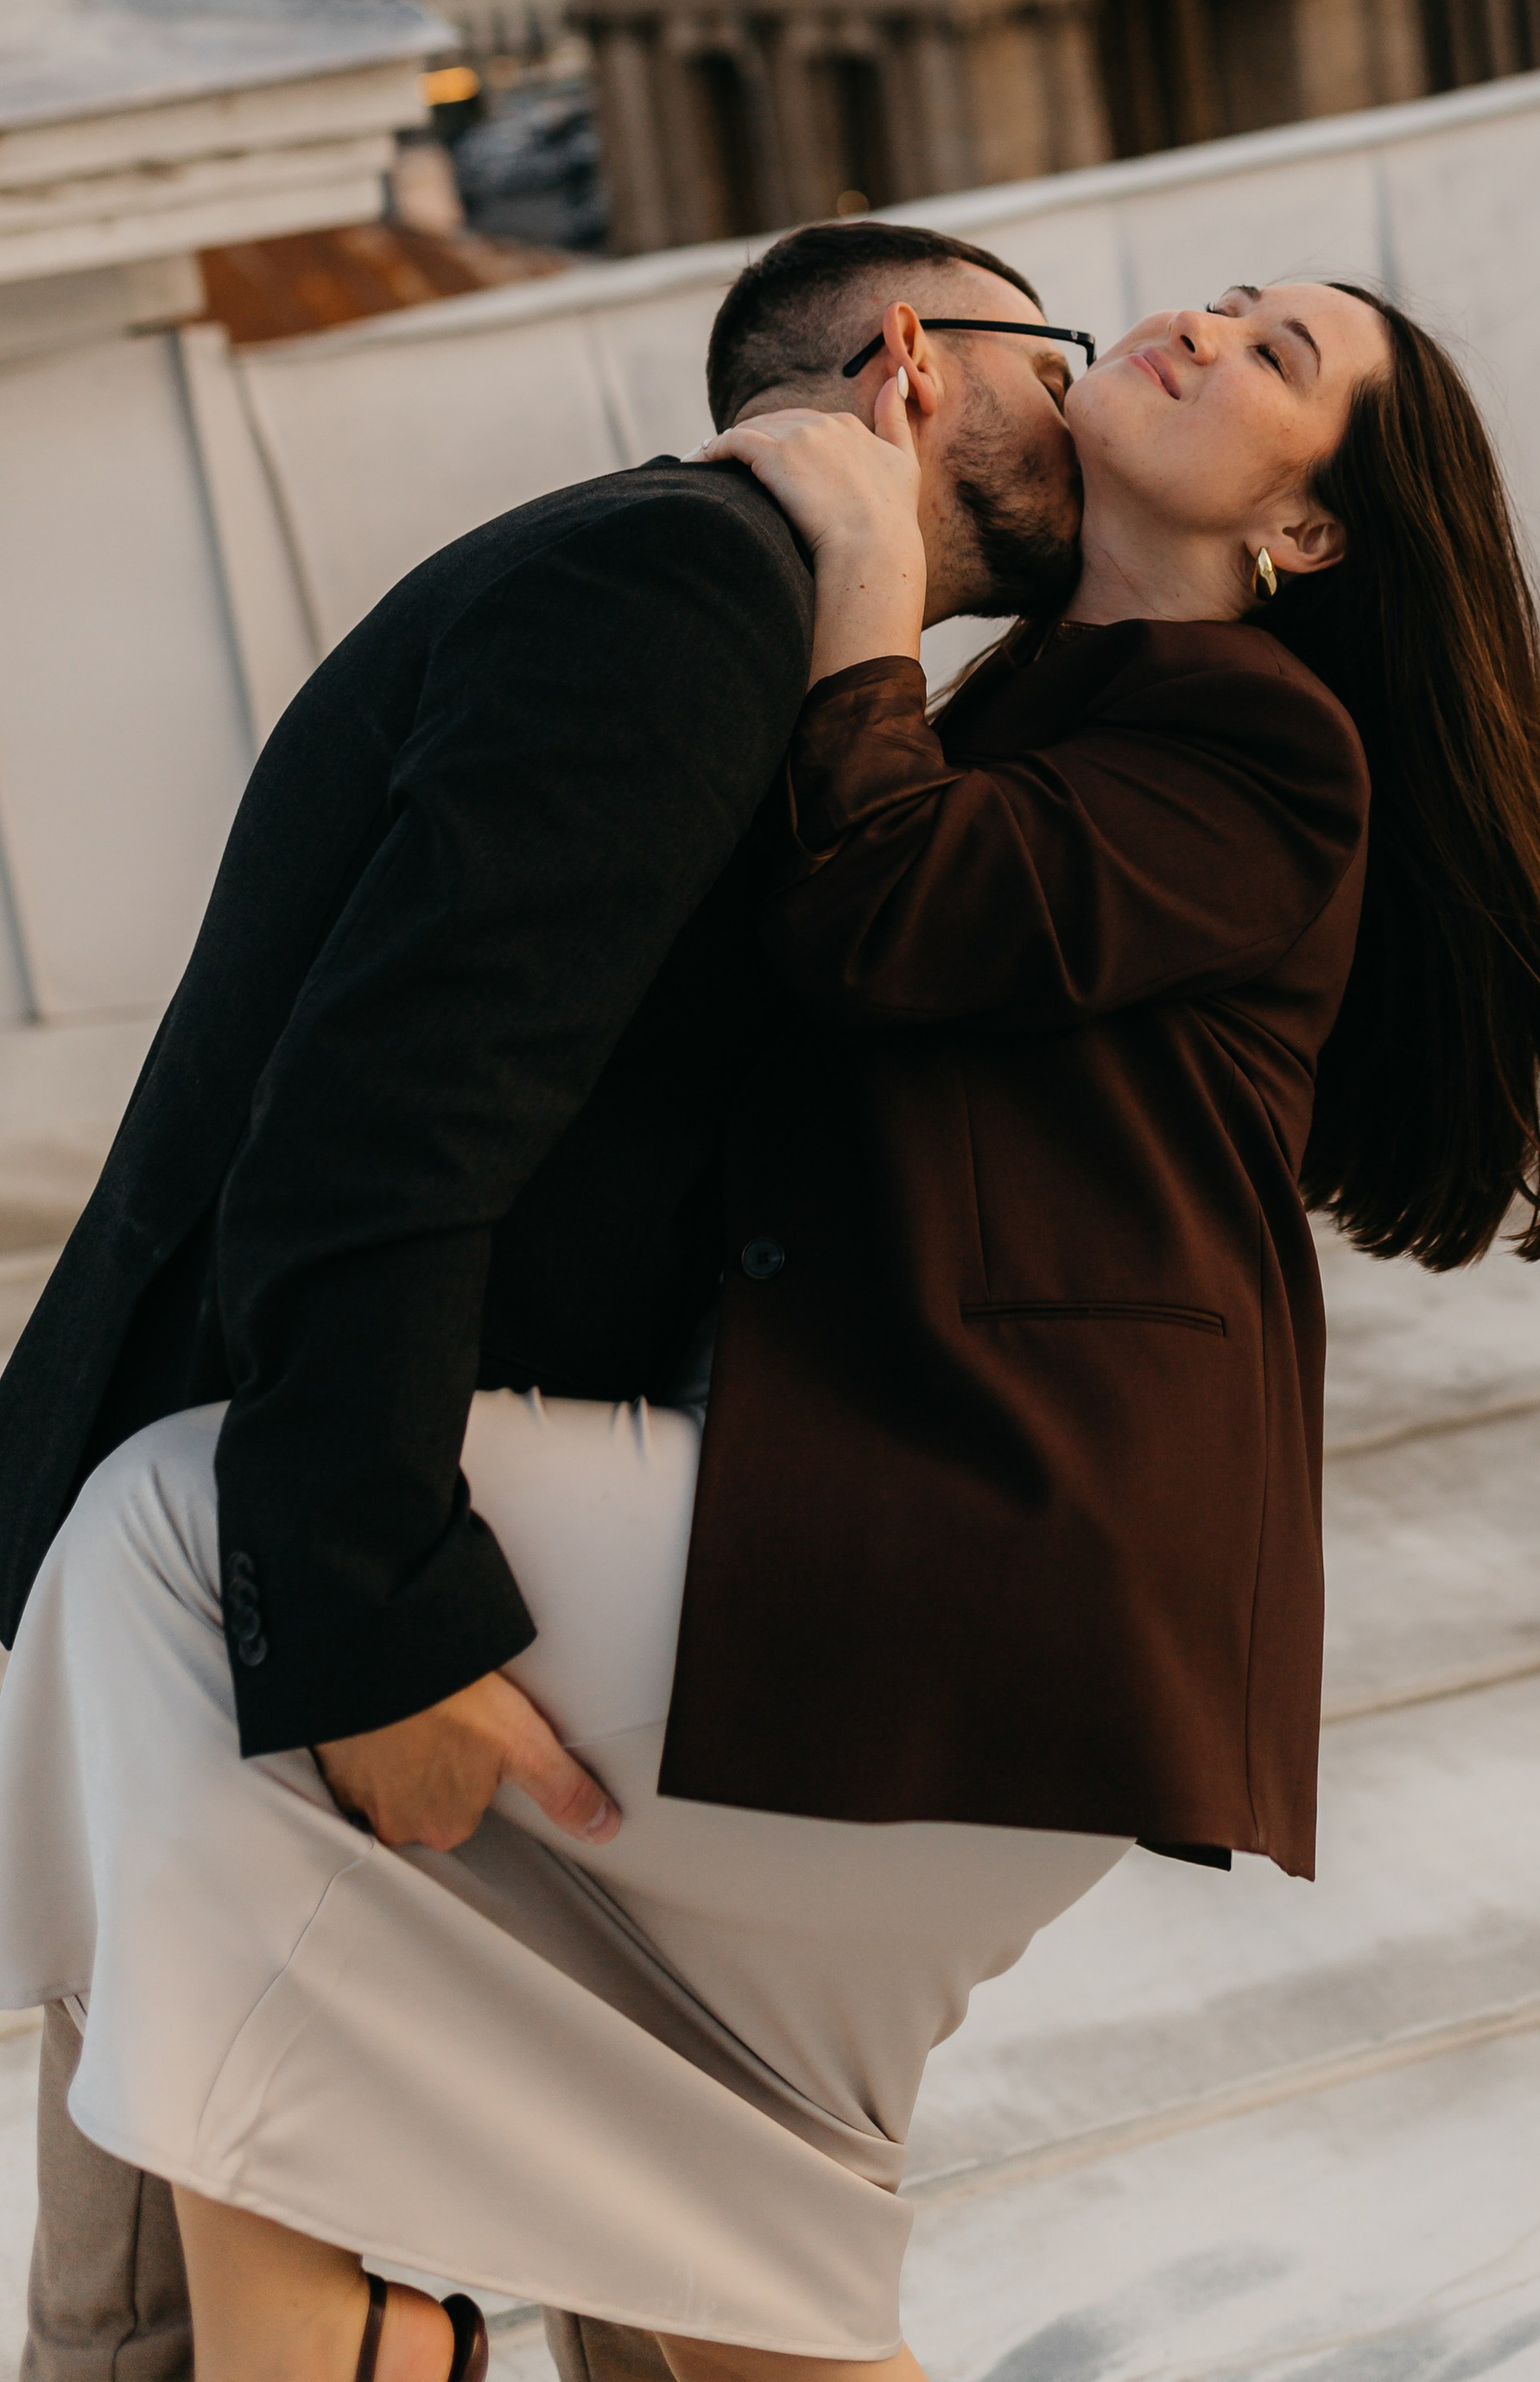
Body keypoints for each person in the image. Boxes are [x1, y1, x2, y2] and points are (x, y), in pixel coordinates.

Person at [0, 276, 1540, 2382]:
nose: (1195, 327)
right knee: (696, 2231)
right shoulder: (1029, 707)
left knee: (187, 1531)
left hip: (1000, 1562)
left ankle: (323, 2335)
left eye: (1275, 357)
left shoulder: (1262, 737)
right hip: (880, 1543)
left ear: (1305, 534)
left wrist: (863, 574)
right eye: (1215, 295)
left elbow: (890, 912)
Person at [0, 218, 1087, 2382]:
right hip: (274, 1550)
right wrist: (370, 1606)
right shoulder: (676, 586)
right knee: (164, 2316)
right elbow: (393, 1109)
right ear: (911, 362)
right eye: (1046, 351)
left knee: (192, 2285)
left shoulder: (713, 596)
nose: (1075, 396)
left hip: (289, 1520)